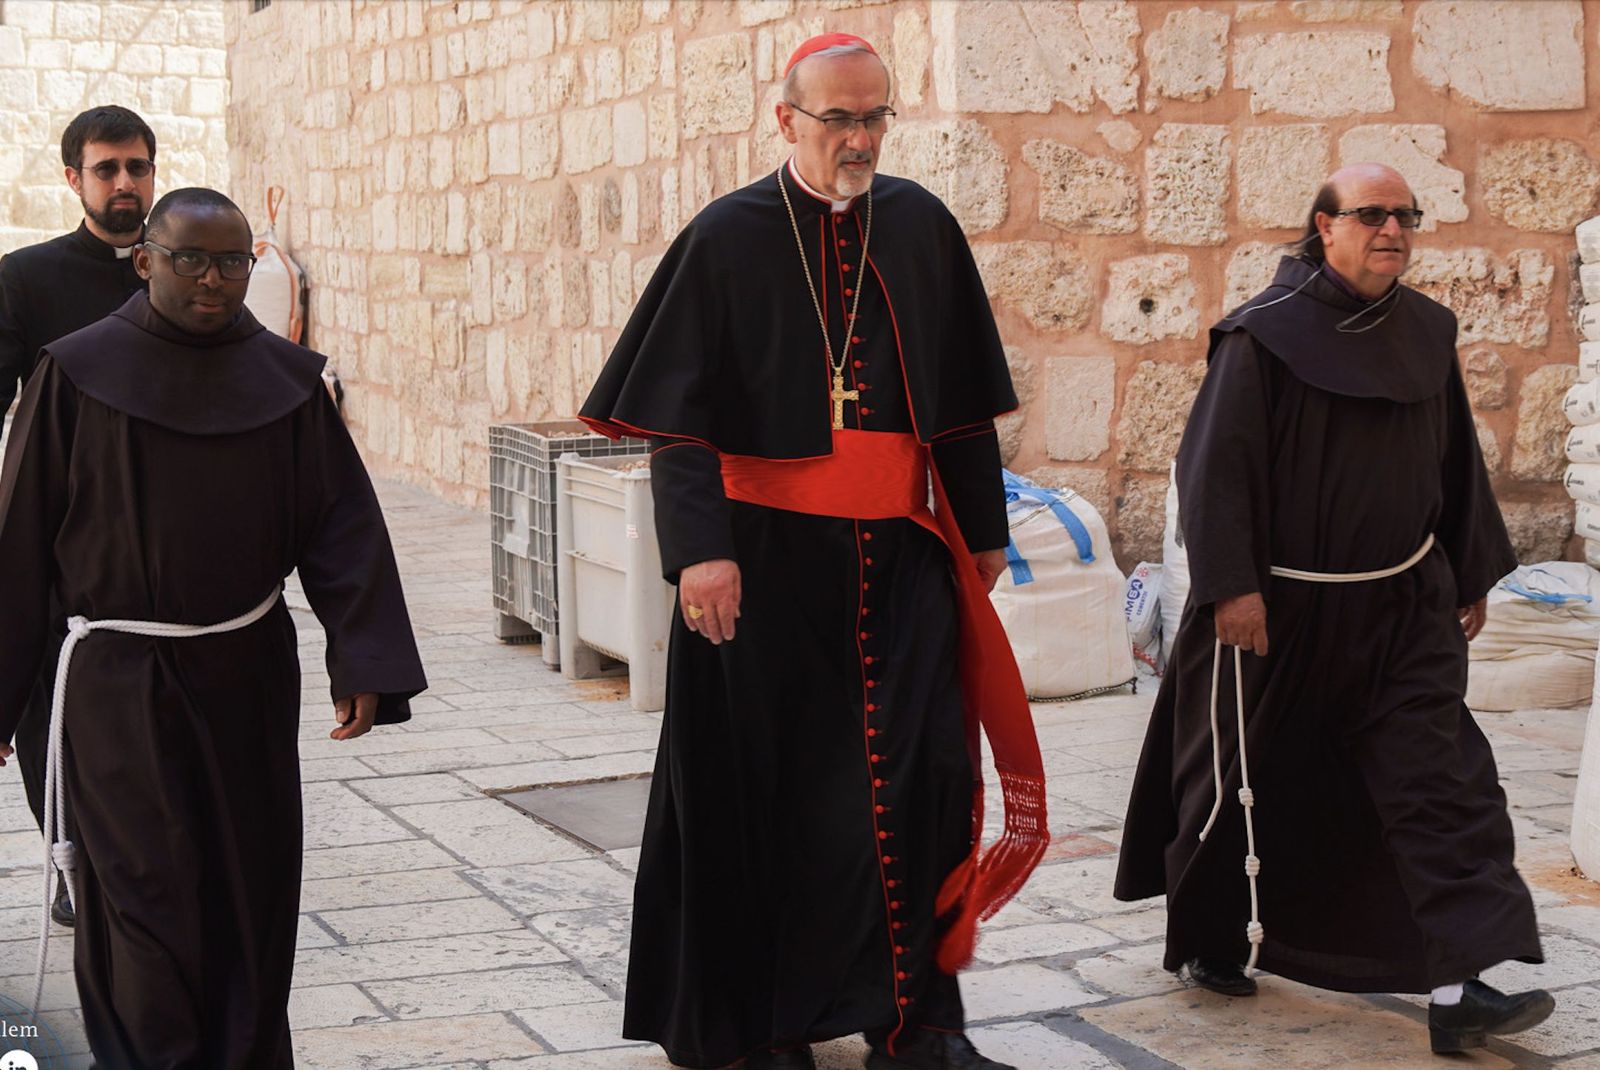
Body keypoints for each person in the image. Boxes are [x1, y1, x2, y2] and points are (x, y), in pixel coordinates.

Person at [580, 32, 1047, 1070]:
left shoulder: (920, 227)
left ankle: (917, 1023)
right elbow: (679, 418)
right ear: (784, 118)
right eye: (838, 118)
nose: (860, 138)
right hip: (758, 562)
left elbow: (962, 408)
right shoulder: (727, 236)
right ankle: (760, 1025)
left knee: (915, 783)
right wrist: (698, 549)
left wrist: (978, 537)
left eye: (875, 116)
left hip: (900, 557)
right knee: (759, 792)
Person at [1113, 163, 1553, 1055]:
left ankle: (1462, 981)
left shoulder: (1428, 331)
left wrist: (1467, 571)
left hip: (1400, 609)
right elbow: (1214, 470)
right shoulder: (1261, 337)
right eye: (1372, 214)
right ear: (1324, 226)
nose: (1392, 229)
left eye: (1405, 216)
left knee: (1444, 784)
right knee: (1240, 779)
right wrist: (1233, 588)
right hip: (1280, 611)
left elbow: (1453, 457)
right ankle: (1211, 935)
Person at [0, 187, 427, 1067]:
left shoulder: (288, 381)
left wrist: (363, 654)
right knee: (143, 896)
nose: (215, 279)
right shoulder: (75, 373)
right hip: (116, 684)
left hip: (245, 673)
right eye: (192, 259)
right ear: (145, 260)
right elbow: (20, 540)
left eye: (234, 261)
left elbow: (343, 526)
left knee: (250, 885)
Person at [0, 105, 157, 927]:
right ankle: (72, 862)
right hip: (58, 539)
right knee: (48, 706)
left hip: (162, 541)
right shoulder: (25, 279)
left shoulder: (181, 266)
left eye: (136, 167)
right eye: (107, 169)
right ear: (74, 179)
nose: (125, 183)